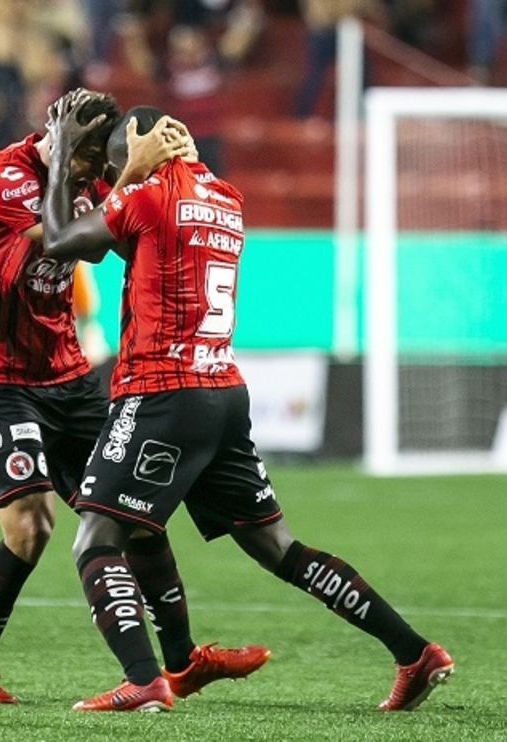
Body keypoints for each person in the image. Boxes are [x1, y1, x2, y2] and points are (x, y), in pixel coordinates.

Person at [39, 99, 455, 712]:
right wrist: (130, 177)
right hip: (223, 394)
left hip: (162, 391)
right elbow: (140, 246)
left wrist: (60, 169)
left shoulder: (146, 198)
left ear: (139, 148)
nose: (106, 167)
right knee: (278, 548)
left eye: (113, 157)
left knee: (96, 536)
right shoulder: (226, 198)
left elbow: (60, 242)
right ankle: (413, 651)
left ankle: (145, 681)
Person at [0, 88, 268, 705]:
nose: (100, 172)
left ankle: (180, 662)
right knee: (31, 526)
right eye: (92, 156)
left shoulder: (90, 181)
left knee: (133, 517)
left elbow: (108, 233)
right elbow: (68, 240)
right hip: (0, 378)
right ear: (62, 142)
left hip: (66, 373)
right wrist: (125, 174)